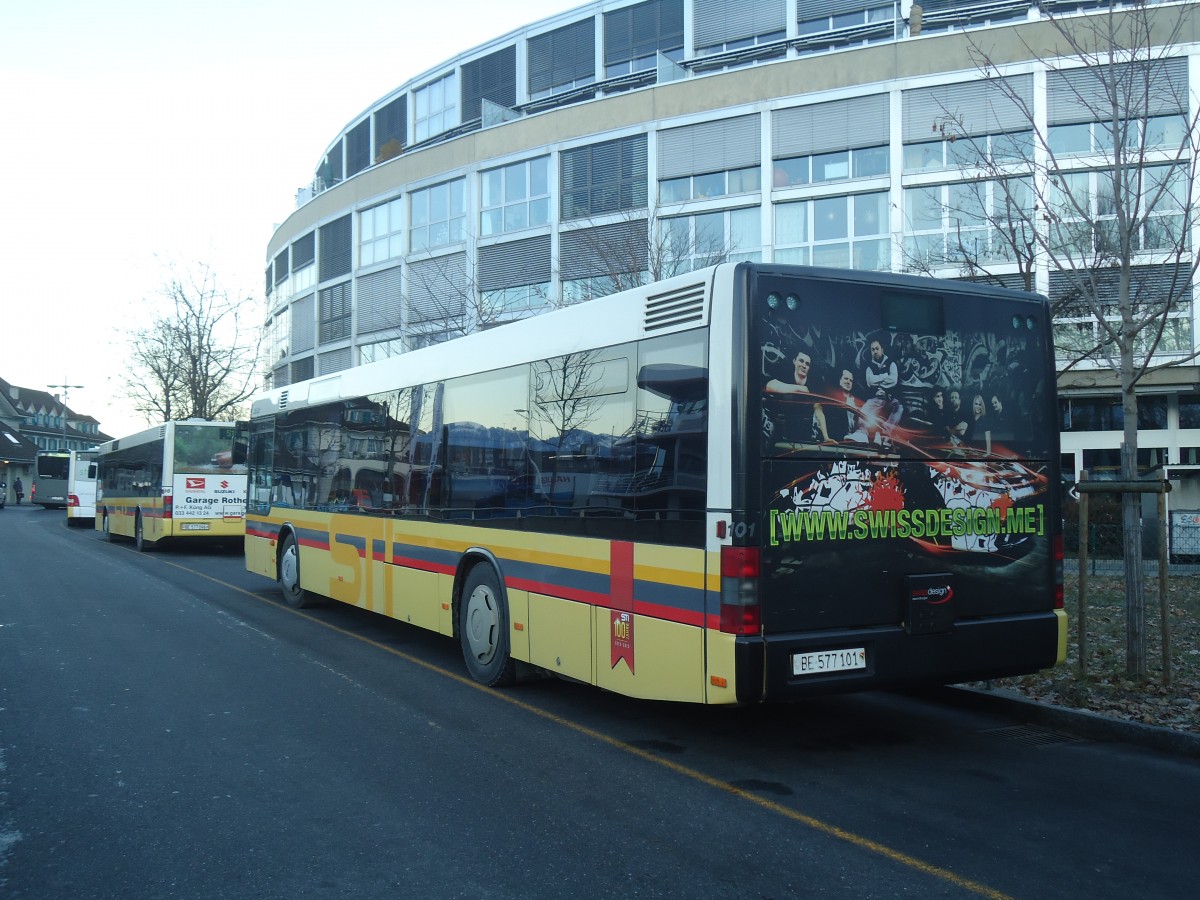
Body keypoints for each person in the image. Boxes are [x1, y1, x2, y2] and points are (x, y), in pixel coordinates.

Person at [858, 337, 903, 447]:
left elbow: (894, 380)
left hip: (889, 398)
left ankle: (885, 434)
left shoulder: (891, 363)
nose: (875, 351)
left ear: (882, 349)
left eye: (877, 349)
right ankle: (861, 433)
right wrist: (884, 376)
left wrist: (881, 387)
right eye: (872, 349)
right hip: (875, 399)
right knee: (864, 410)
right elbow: (870, 381)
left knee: (899, 408)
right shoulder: (869, 366)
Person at [814, 368, 861, 442]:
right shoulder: (831, 396)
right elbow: (818, 409)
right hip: (832, 439)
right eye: (846, 378)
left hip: (847, 441)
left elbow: (855, 427)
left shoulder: (854, 402)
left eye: (850, 380)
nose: (848, 382)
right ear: (840, 380)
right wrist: (826, 437)